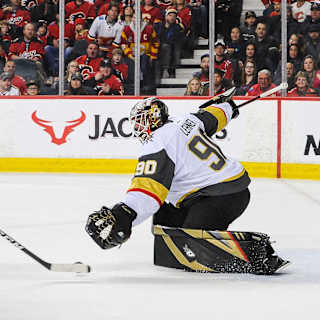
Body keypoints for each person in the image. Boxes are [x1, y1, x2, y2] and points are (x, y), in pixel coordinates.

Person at [85, 91, 288, 275]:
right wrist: (226, 106)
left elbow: (147, 191)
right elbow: (214, 115)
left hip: (220, 196)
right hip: (226, 191)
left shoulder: (158, 143)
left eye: (140, 122)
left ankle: (257, 256)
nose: (138, 129)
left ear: (153, 119)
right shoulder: (186, 120)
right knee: (165, 228)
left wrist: (124, 216)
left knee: (190, 243)